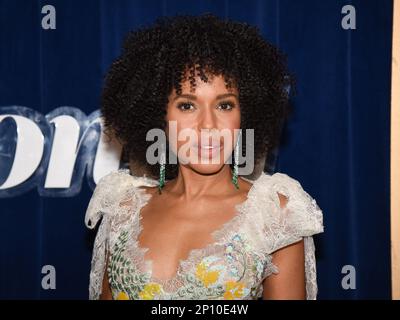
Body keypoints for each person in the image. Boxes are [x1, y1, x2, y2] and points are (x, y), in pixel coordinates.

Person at [85, 13, 324, 300]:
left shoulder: (275, 213)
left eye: (224, 105)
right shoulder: (122, 208)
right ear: (159, 116)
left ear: (244, 115)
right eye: (187, 106)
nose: (208, 125)